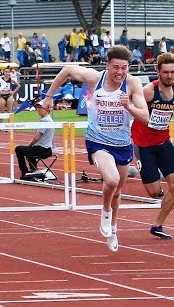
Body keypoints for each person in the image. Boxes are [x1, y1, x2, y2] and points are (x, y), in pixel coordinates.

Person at [38, 45, 149, 253]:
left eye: (124, 68)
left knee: (118, 191)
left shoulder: (132, 83)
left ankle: (113, 227)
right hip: (98, 141)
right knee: (112, 180)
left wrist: (129, 107)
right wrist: (49, 96)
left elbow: (145, 118)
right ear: (108, 65)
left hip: (123, 143)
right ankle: (105, 211)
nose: (120, 72)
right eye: (116, 67)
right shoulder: (95, 79)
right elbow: (68, 70)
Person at [130, 53, 174, 240]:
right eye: (166, 72)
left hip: (163, 142)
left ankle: (158, 225)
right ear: (158, 71)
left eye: (173, 72)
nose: (170, 76)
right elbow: (131, 105)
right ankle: (148, 168)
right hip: (143, 144)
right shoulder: (148, 91)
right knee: (153, 192)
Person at [14, 111, 57, 179]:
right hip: (48, 149)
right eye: (38, 108)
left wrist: (30, 144)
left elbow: (37, 137)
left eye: (41, 108)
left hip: (42, 150)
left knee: (18, 149)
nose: (38, 110)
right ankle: (34, 170)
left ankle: (24, 172)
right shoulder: (50, 119)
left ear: (47, 109)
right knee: (30, 150)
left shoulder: (44, 121)